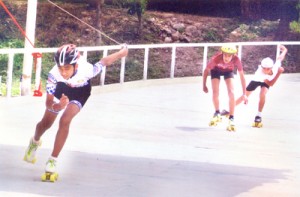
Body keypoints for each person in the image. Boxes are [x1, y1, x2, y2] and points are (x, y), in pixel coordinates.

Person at [24, 44, 128, 174]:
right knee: (46, 124)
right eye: (60, 68)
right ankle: (34, 141)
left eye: (67, 68)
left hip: (80, 92)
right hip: (61, 89)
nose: (63, 72)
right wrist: (58, 106)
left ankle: (52, 160)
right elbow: (48, 102)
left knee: (65, 120)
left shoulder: (87, 69)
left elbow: (104, 61)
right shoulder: (54, 75)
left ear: (76, 65)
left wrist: (121, 53)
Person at [235, 45, 288, 127]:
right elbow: (271, 84)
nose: (266, 70)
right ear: (261, 67)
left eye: (268, 68)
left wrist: (285, 50)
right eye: (264, 68)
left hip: (267, 81)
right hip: (258, 80)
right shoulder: (259, 74)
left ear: (272, 67)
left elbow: (280, 58)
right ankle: (230, 109)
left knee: (262, 94)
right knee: (245, 95)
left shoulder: (276, 66)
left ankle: (258, 115)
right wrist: (278, 73)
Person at [203, 44, 247, 131]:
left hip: (228, 71)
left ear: (233, 55)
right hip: (216, 71)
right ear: (222, 53)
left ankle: (231, 117)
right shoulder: (216, 59)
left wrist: (244, 94)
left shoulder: (237, 59)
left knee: (232, 93)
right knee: (215, 92)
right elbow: (206, 71)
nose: (227, 58)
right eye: (225, 55)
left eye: (229, 56)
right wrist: (204, 85)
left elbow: (242, 76)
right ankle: (217, 112)